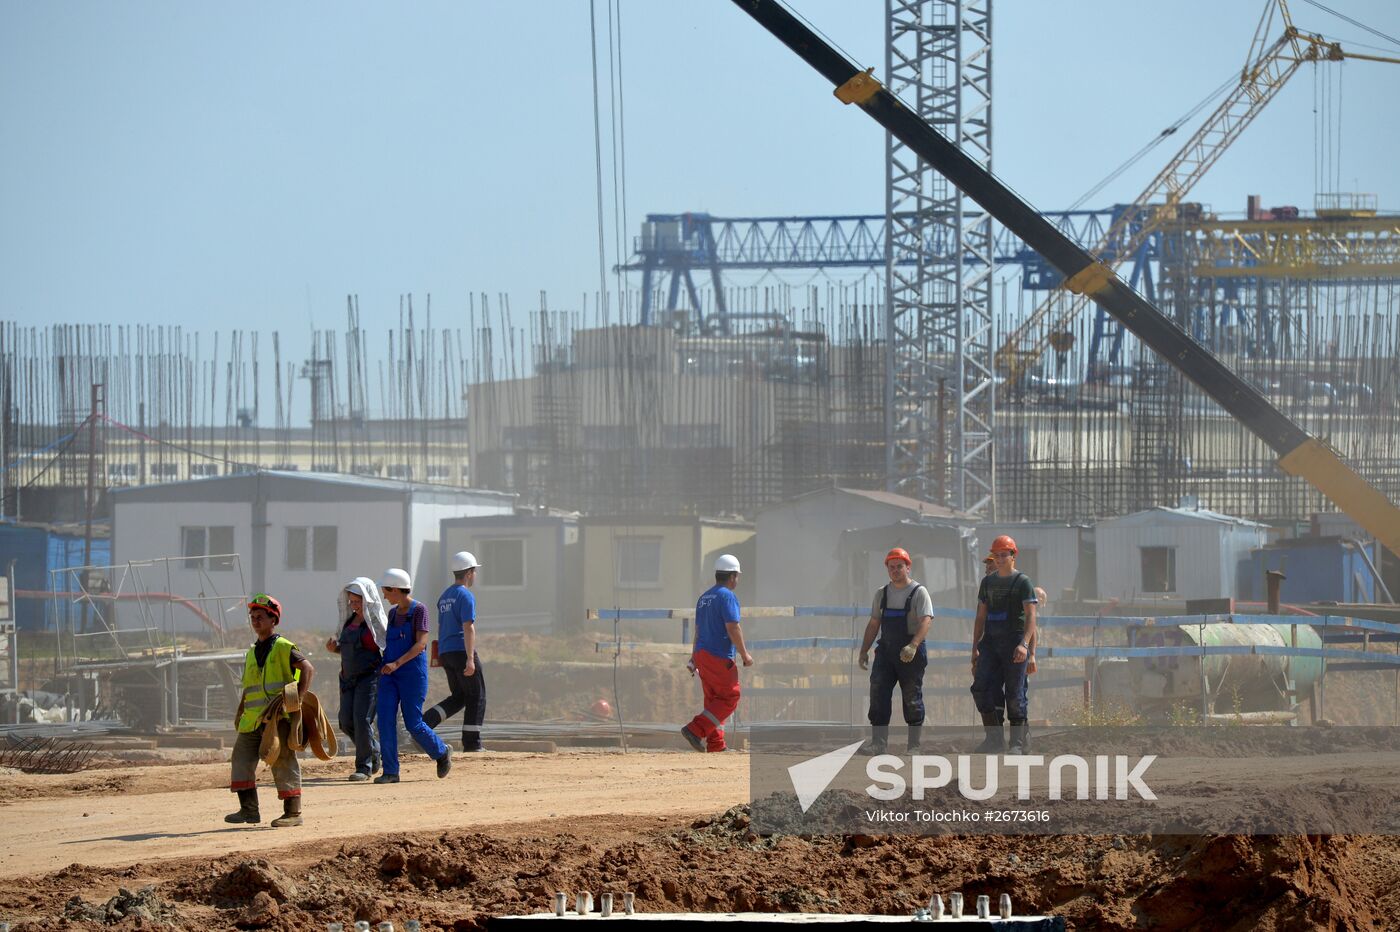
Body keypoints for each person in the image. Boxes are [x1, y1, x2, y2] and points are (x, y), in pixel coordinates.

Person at [226, 593, 315, 827]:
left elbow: (307, 669)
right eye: (253, 617)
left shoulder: (284, 647)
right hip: (252, 720)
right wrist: (240, 711)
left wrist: (298, 699)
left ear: (273, 620)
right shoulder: (251, 652)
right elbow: (249, 686)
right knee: (241, 759)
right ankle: (248, 811)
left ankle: (293, 814)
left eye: (260, 617)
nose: (255, 621)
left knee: (283, 761)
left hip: (278, 718)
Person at [375, 568, 452, 783]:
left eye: (386, 592)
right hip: (390, 674)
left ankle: (441, 753)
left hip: (411, 673)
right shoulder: (392, 614)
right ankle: (390, 771)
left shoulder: (420, 610)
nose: (384, 597)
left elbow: (421, 644)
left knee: (413, 723)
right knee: (385, 722)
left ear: (396, 589)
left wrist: (397, 663)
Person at [858, 548, 933, 755]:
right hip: (886, 652)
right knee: (878, 693)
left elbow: (926, 620)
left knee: (911, 696)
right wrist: (864, 650)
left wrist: (914, 645)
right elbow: (874, 623)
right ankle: (878, 743)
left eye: (900, 566)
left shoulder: (919, 592)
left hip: (911, 652)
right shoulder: (881, 594)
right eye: (892, 567)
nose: (895, 570)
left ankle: (914, 746)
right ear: (887, 569)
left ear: (908, 567)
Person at [970, 535, 1039, 754]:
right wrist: (975, 648)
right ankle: (994, 739)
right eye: (996, 555)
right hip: (990, 642)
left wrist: (1025, 646)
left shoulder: (1023, 582)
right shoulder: (987, 583)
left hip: (1014, 641)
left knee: (1014, 692)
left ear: (1013, 556)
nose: (999, 559)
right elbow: (980, 617)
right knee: (981, 687)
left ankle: (1018, 742)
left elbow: (1030, 618)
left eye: (1003, 555)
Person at [681, 554, 753, 752]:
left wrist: (693, 657)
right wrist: (745, 654)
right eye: (737, 576)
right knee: (730, 697)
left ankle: (716, 744)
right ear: (732, 577)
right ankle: (695, 729)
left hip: (702, 655)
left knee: (713, 701)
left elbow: (698, 630)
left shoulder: (704, 598)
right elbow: (733, 627)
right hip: (718, 656)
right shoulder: (727, 596)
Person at [324, 578, 387, 781]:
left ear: (367, 600)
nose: (354, 605)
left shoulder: (375, 624)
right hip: (348, 678)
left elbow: (384, 647)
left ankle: (364, 767)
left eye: (358, 601)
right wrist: (335, 649)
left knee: (362, 720)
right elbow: (348, 650)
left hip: (369, 678)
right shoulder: (349, 622)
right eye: (351, 602)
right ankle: (374, 749)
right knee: (345, 722)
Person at [424, 551, 487, 752]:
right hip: (461, 651)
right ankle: (472, 744)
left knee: (459, 696)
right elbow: (468, 627)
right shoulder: (465, 595)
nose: (475, 575)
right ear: (469, 573)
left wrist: (440, 654)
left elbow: (442, 627)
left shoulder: (444, 597)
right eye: (474, 571)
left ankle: (425, 724)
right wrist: (470, 659)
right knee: (477, 695)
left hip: (447, 652)